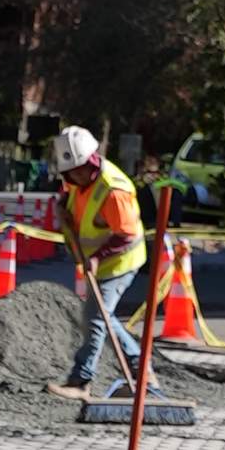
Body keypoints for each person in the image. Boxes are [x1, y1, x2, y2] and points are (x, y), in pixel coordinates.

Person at [52, 124, 150, 392]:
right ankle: (143, 369)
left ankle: (81, 380)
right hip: (98, 260)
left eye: (82, 170)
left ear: (92, 161)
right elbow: (72, 199)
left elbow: (126, 235)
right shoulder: (75, 181)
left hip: (121, 262)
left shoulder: (113, 190)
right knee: (103, 316)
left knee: (95, 317)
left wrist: (96, 257)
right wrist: (62, 207)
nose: (78, 176)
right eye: (72, 173)